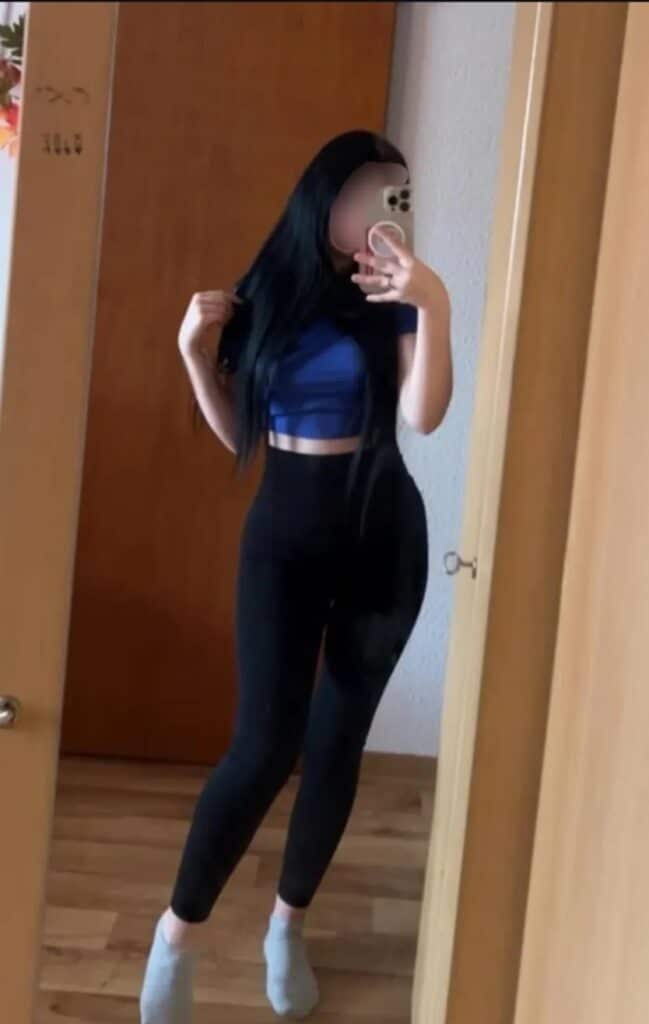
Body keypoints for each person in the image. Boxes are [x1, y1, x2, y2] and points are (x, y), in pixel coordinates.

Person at [139, 130, 452, 1023]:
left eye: (397, 193)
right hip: (282, 537)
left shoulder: (395, 297)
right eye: (366, 194)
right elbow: (241, 432)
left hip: (381, 535)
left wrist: (433, 304)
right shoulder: (266, 291)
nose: (381, 210)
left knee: (336, 743)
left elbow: (424, 416)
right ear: (324, 199)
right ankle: (177, 935)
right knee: (262, 746)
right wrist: (194, 354)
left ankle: (288, 925)